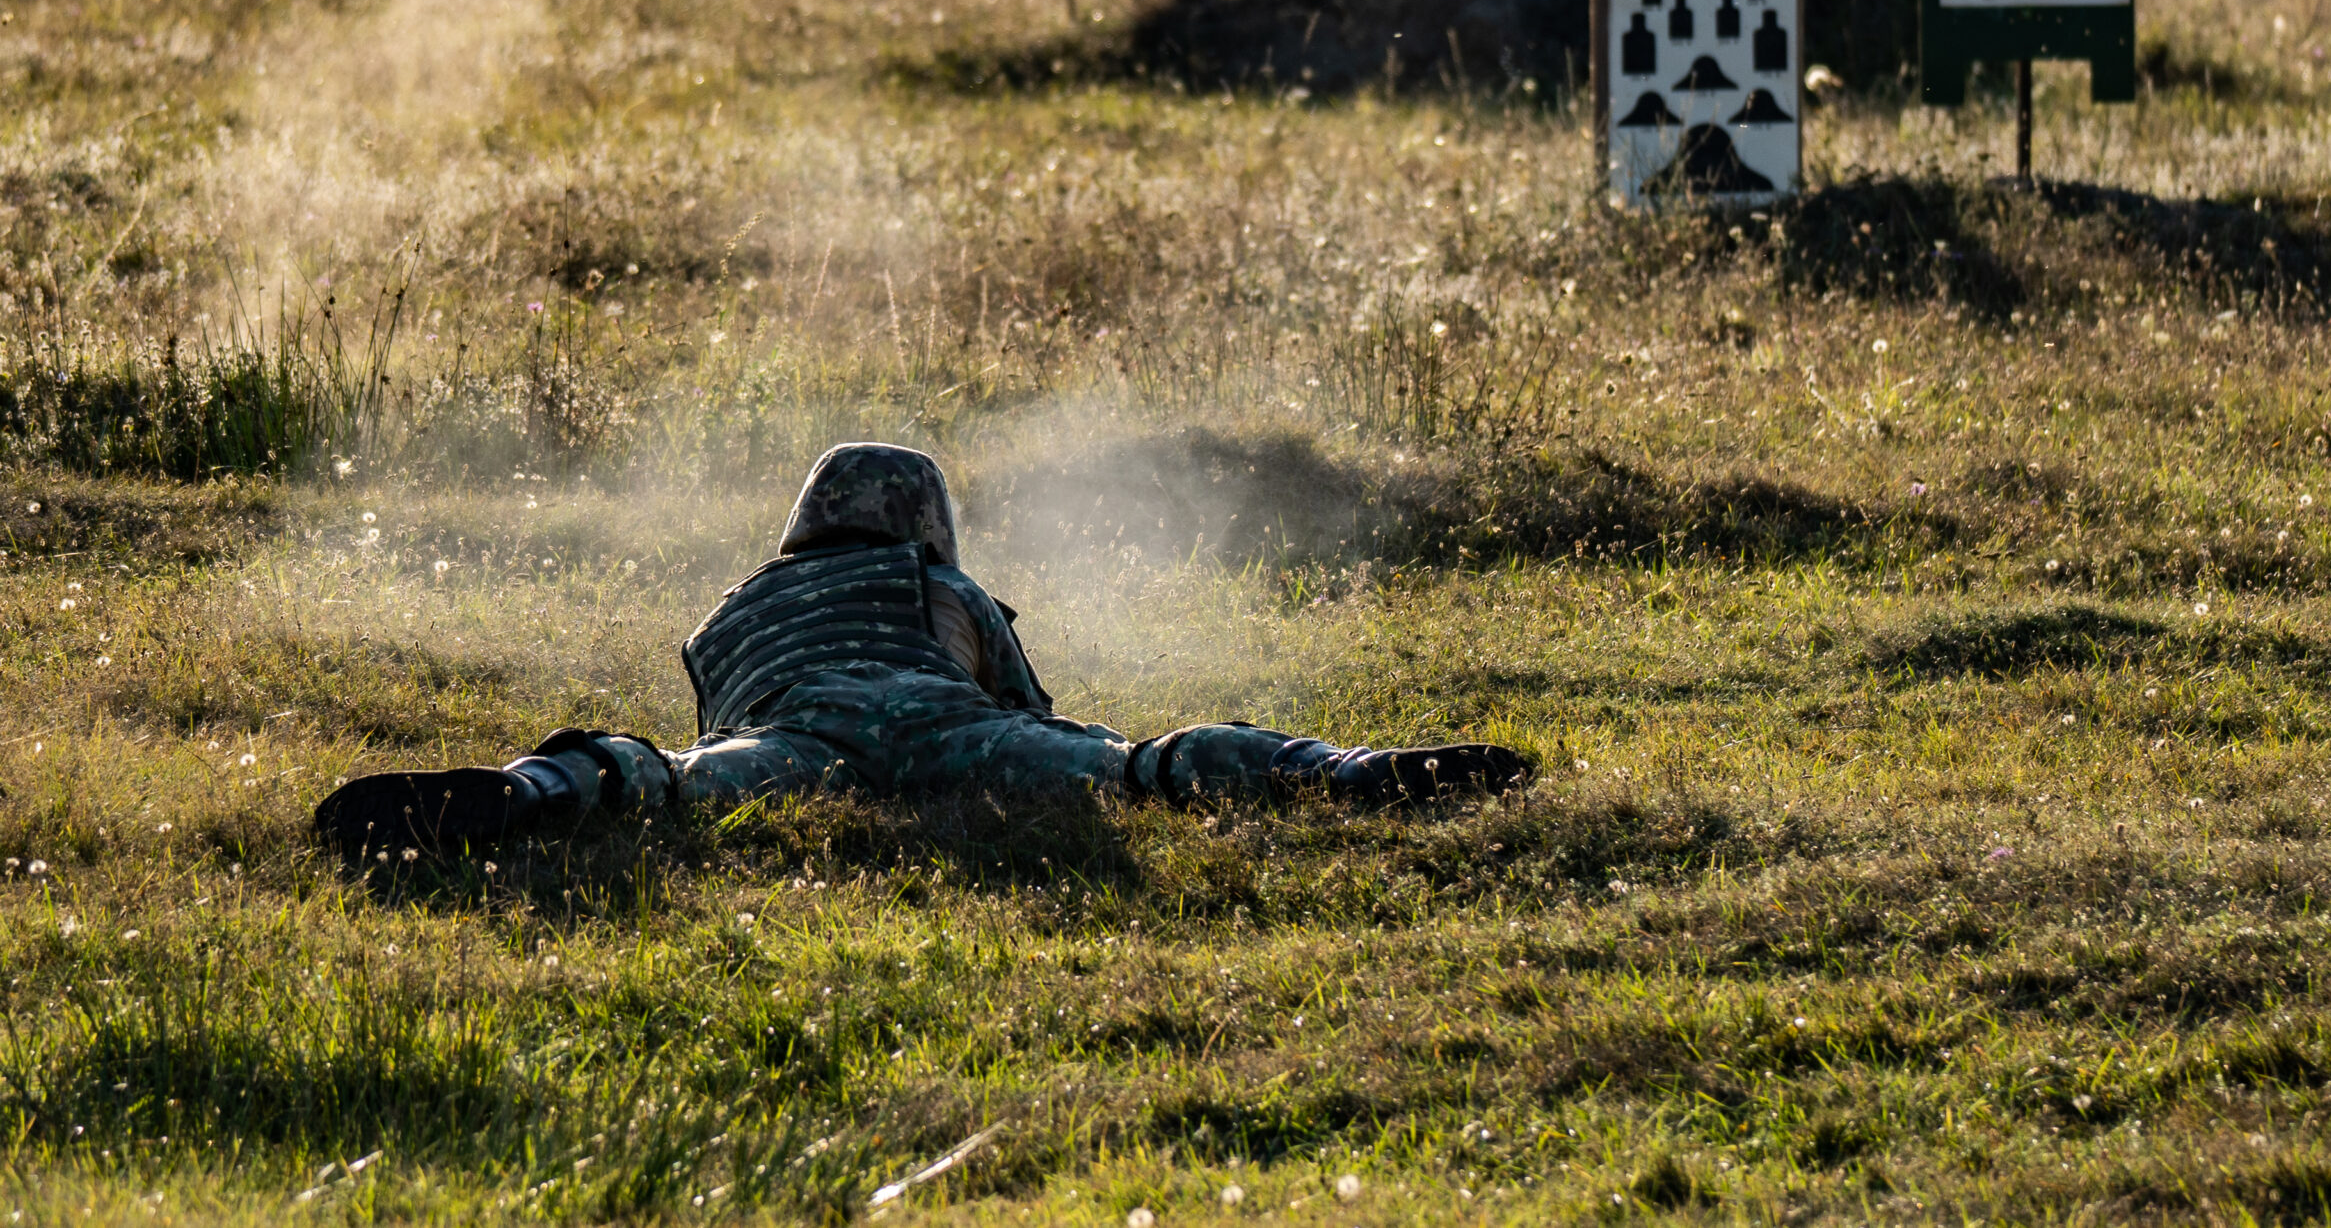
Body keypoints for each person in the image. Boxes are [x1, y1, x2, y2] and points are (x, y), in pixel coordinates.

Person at [316, 443, 1533, 853]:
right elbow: (1039, 710)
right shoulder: (940, 585)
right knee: (1143, 769)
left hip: (794, 738)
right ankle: (1344, 774)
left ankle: (530, 793)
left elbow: (710, 734)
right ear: (925, 523)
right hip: (953, 723)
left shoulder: (729, 611)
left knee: (660, 785)